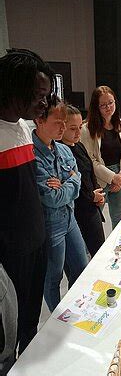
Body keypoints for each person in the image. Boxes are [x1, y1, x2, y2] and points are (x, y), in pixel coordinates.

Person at [0, 48, 55, 355]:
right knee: (10, 329)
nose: (44, 103)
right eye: (38, 94)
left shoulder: (23, 128)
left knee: (30, 321)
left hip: (36, 242)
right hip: (11, 254)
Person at [33, 101, 88, 312]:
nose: (63, 128)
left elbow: (76, 181)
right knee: (53, 277)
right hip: (50, 224)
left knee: (81, 268)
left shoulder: (64, 150)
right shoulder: (33, 155)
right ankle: (58, 318)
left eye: (66, 123)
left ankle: (75, 307)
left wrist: (68, 183)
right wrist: (72, 180)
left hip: (69, 218)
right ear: (39, 120)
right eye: (58, 123)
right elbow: (51, 198)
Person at [81, 86, 121, 229]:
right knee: (95, 219)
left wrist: (120, 178)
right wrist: (112, 177)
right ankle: (92, 251)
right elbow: (90, 160)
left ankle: (118, 248)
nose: (108, 107)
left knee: (118, 217)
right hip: (99, 179)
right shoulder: (86, 129)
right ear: (96, 107)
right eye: (103, 105)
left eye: (111, 102)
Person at [61, 105, 105, 257]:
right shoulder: (61, 152)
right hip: (78, 210)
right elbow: (69, 184)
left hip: (91, 207)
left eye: (80, 127)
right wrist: (91, 196)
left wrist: (98, 192)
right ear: (62, 126)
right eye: (73, 129)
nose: (79, 132)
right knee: (82, 258)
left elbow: (90, 173)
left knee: (99, 251)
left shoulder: (79, 145)